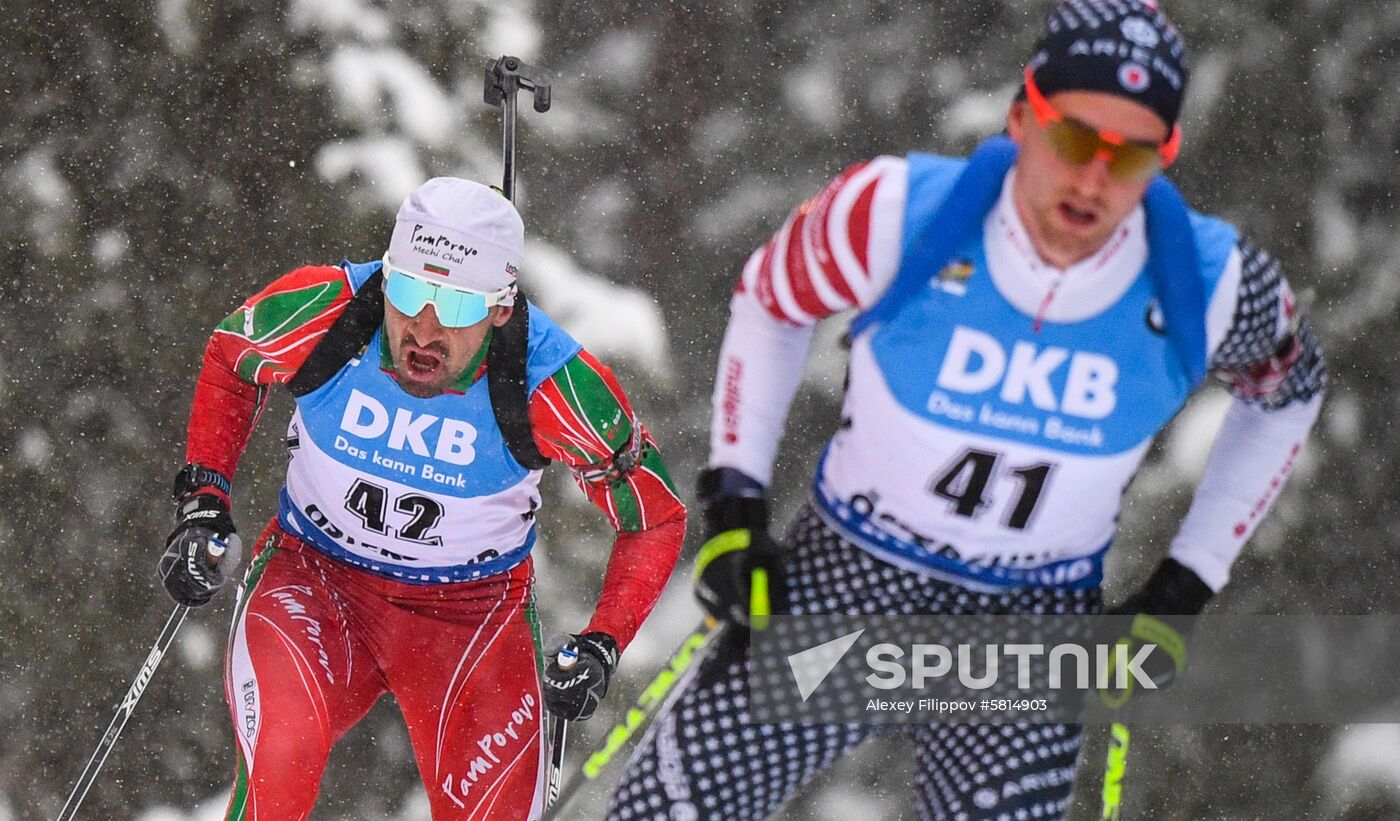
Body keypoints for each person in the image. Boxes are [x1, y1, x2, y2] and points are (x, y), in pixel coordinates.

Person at [609, 1, 1325, 819]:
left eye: (1130, 158)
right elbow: (773, 301)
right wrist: (735, 503)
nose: (1093, 179)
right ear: (1023, 117)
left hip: (1026, 629)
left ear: (1167, 156)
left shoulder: (1217, 281)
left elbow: (1289, 394)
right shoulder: (892, 211)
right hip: (852, 584)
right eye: (1073, 139)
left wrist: (1184, 583)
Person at [157, 178, 686, 820]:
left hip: (468, 617)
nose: (424, 328)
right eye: (407, 292)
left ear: (500, 307)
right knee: (280, 761)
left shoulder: (555, 385)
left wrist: (605, 641)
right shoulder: (328, 311)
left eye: (457, 305)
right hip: (315, 579)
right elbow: (231, 357)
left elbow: (655, 517)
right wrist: (205, 499)